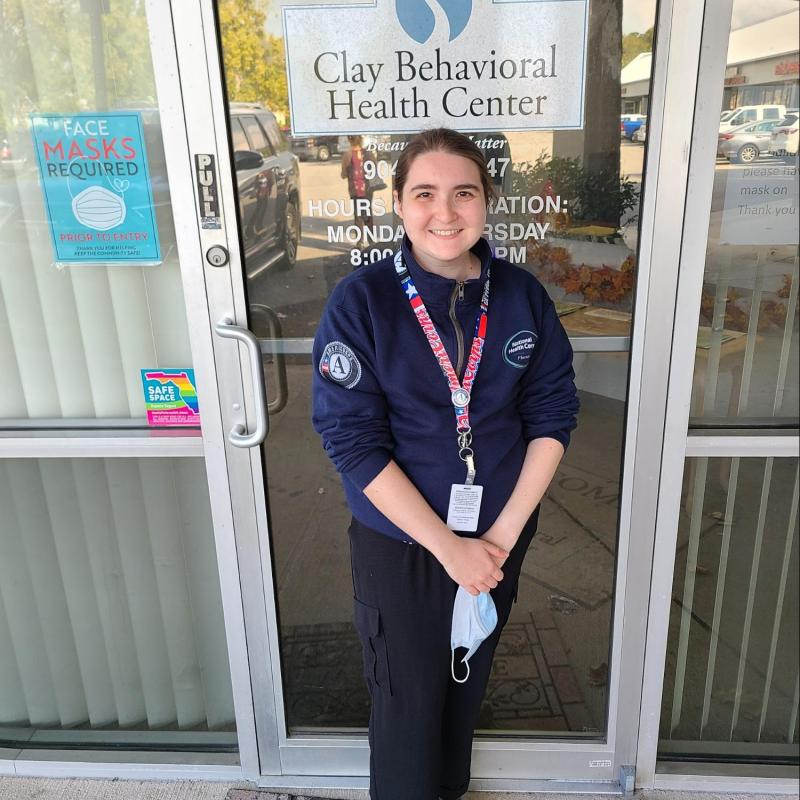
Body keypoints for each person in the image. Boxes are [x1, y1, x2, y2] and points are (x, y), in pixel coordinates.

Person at [313, 128, 578, 800]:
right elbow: (353, 442)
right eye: (424, 193)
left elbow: (552, 417)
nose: (445, 211)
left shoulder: (521, 296)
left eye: (464, 192)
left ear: (486, 202)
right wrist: (448, 550)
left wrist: (500, 540)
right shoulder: (363, 302)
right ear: (398, 204)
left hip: (498, 542)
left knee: (466, 685)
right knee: (407, 704)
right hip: (400, 548)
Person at [340, 134, 375, 245]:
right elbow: (375, 168)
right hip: (368, 189)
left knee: (358, 216)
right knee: (368, 214)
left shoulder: (347, 155)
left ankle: (359, 243)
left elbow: (343, 175)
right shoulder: (368, 153)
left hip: (355, 191)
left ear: (349, 140)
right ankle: (371, 241)